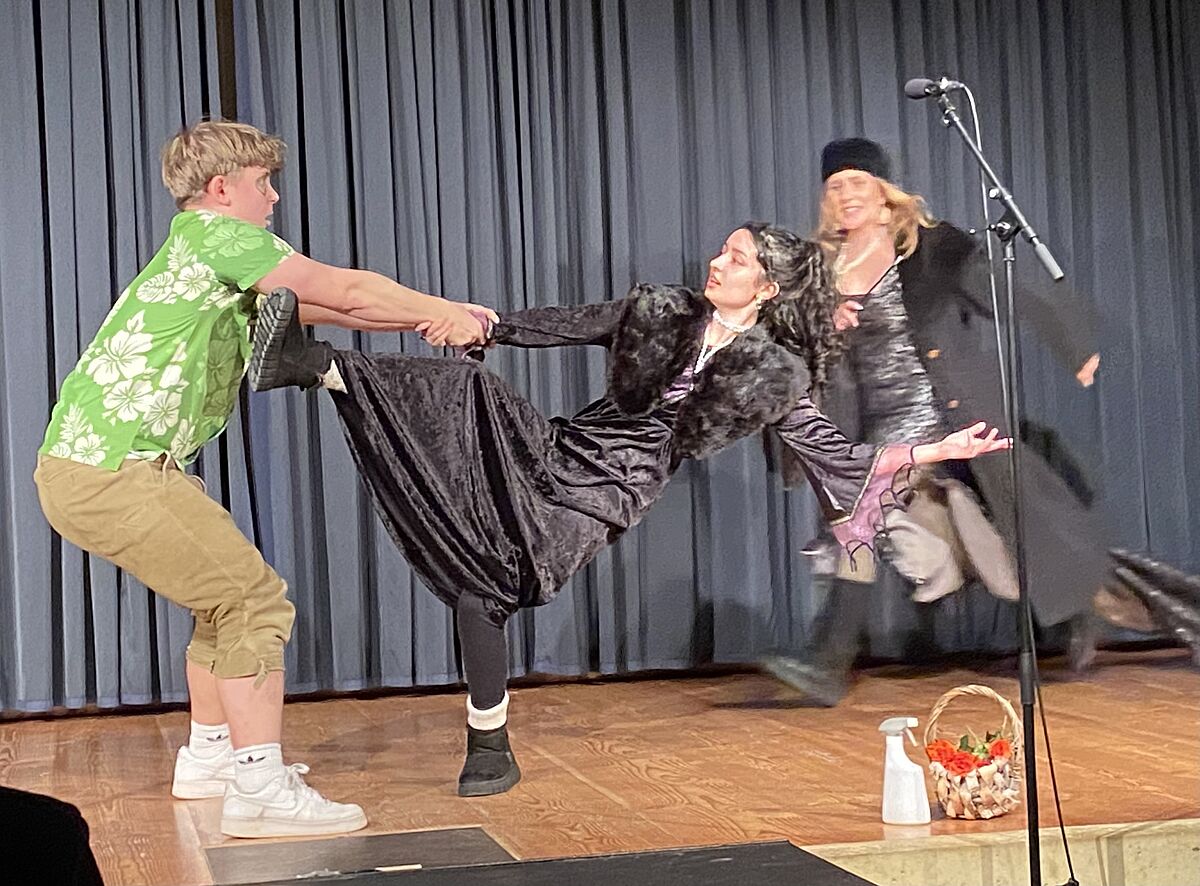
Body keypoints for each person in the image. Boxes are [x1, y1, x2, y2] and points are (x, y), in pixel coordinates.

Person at [249, 221, 1011, 797]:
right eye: (722, 251)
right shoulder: (661, 309)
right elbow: (564, 323)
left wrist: (933, 450)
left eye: (737, 258)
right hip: (565, 445)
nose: (718, 262)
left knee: (496, 583)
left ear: (767, 288)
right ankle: (311, 364)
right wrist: (486, 324)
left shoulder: (773, 374)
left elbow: (835, 454)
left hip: (612, 488)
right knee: (470, 400)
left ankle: (488, 744)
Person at [33, 120, 494, 838]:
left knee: (221, 605)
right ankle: (259, 788)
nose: (274, 197)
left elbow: (325, 306)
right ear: (222, 189)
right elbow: (345, 287)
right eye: (262, 183)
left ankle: (211, 757)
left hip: (99, 468)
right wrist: (440, 311)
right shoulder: (218, 238)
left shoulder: (202, 255)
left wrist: (434, 319)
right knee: (254, 603)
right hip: (114, 470)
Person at [763, 137, 1135, 705]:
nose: (846, 194)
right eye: (835, 186)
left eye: (858, 182)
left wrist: (1071, 341)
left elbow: (1009, 292)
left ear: (886, 195)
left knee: (863, 511)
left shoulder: (931, 251)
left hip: (941, 415)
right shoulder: (819, 273)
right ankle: (1082, 605)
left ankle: (827, 665)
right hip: (873, 428)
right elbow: (794, 349)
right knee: (980, 552)